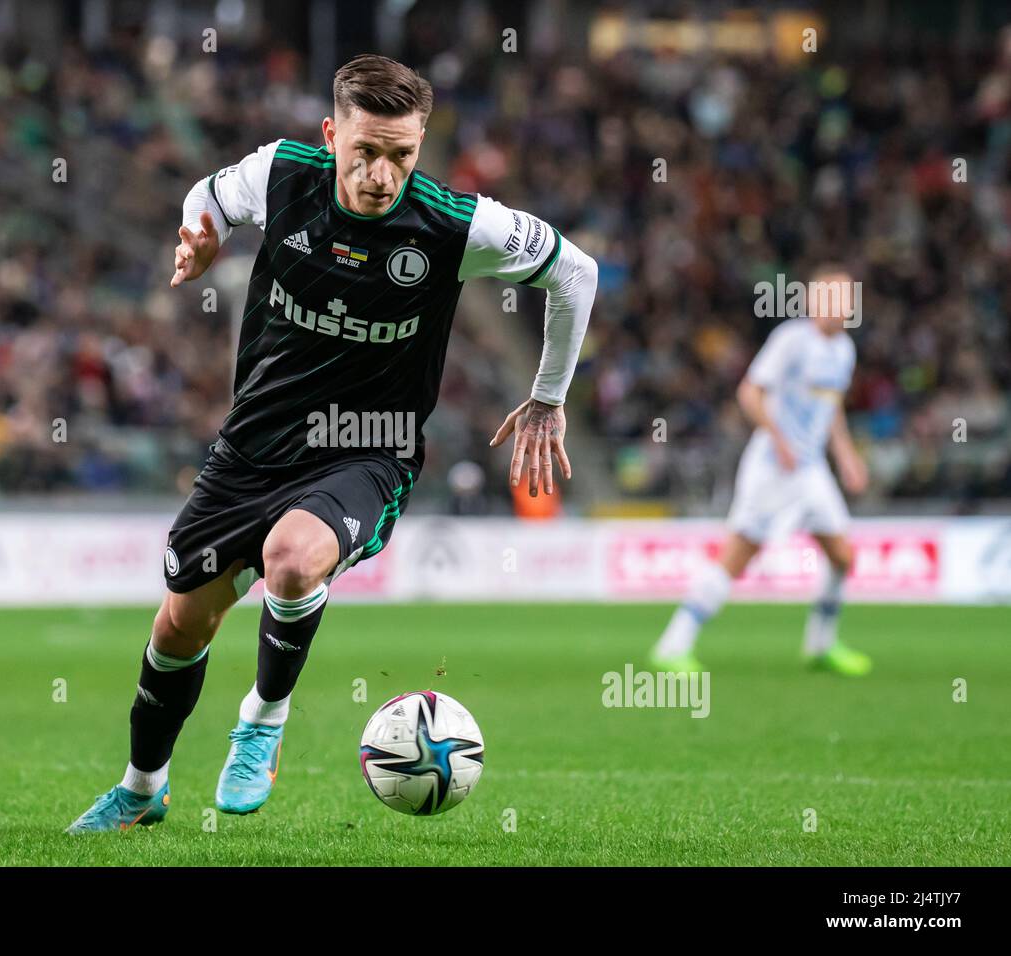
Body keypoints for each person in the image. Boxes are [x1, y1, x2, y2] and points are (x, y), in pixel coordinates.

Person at [68, 53, 598, 831]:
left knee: (291, 559)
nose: (383, 174)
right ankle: (143, 790)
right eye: (366, 152)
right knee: (179, 625)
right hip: (254, 443)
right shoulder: (282, 175)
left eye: (402, 156)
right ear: (332, 134)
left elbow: (575, 272)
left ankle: (263, 719)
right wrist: (202, 234)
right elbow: (207, 195)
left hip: (367, 450)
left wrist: (549, 397)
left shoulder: (455, 227)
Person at [650, 266, 871, 677]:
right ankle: (672, 644)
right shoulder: (791, 340)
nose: (839, 307)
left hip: (811, 470)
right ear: (812, 301)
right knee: (738, 555)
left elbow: (831, 407)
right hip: (773, 466)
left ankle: (820, 645)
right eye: (831, 297)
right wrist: (780, 438)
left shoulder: (844, 351)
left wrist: (846, 457)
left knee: (843, 555)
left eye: (845, 299)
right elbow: (749, 392)